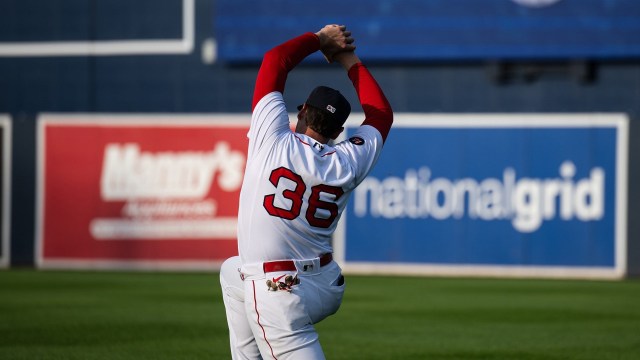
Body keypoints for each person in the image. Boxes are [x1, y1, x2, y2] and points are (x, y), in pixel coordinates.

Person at [220, 24, 393, 359]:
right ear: (340, 131)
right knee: (233, 271)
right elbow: (381, 114)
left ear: (301, 112)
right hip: (325, 285)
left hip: (279, 290)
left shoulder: (272, 139)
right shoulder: (347, 159)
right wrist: (349, 59)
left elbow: (275, 61)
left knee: (250, 279)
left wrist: (321, 40)